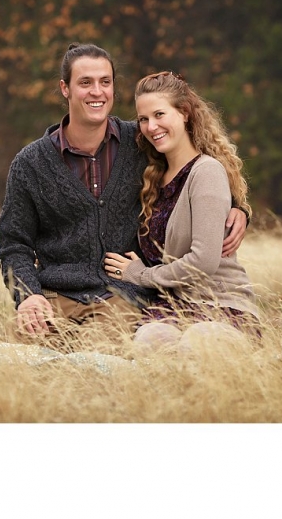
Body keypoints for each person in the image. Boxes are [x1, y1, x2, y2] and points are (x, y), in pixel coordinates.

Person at [0, 44, 250, 346]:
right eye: (85, 83)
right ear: (65, 88)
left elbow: (198, 164)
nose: (97, 92)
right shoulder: (31, 163)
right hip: (54, 296)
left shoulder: (140, 141)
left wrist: (239, 207)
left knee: (95, 358)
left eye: (105, 82)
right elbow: (13, 243)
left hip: (120, 296)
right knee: (17, 357)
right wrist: (28, 296)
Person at [103, 71, 261, 344]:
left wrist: (141, 275)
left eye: (160, 114)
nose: (151, 126)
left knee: (199, 342)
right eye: (143, 119)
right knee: (149, 343)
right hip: (174, 308)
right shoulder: (152, 174)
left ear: (185, 113)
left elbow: (203, 261)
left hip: (220, 302)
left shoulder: (207, 171)